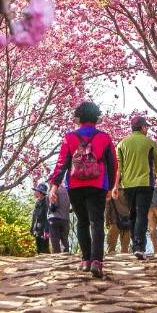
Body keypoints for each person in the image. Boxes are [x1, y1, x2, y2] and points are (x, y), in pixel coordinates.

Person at [49, 101, 118, 279]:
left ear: (78, 117)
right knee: (97, 222)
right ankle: (97, 261)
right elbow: (112, 164)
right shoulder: (104, 137)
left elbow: (62, 163)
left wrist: (54, 186)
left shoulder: (70, 137)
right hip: (98, 185)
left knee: (82, 222)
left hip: (75, 185)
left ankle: (85, 260)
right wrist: (110, 187)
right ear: (96, 117)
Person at [114, 115, 157, 260]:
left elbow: (119, 168)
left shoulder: (121, 144)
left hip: (127, 185)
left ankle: (135, 245)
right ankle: (139, 247)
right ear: (142, 128)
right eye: (146, 127)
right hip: (145, 183)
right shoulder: (150, 142)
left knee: (133, 214)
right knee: (142, 214)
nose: (147, 129)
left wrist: (116, 186)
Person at [105, 189, 131, 253]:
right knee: (125, 249)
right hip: (127, 222)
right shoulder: (127, 192)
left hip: (115, 222)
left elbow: (107, 209)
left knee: (111, 249)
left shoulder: (110, 192)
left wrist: (107, 221)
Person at [47, 182, 70, 253]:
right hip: (65, 219)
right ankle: (66, 256)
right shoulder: (67, 190)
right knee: (64, 239)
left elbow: (53, 207)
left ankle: (56, 257)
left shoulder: (53, 191)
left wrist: (50, 205)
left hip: (54, 218)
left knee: (55, 240)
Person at [31, 183, 50, 254]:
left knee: (44, 248)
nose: (35, 192)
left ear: (41, 193)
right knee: (38, 247)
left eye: (36, 191)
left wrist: (46, 229)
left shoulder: (46, 202)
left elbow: (47, 216)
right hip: (37, 228)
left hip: (44, 228)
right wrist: (32, 227)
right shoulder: (37, 202)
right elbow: (35, 216)